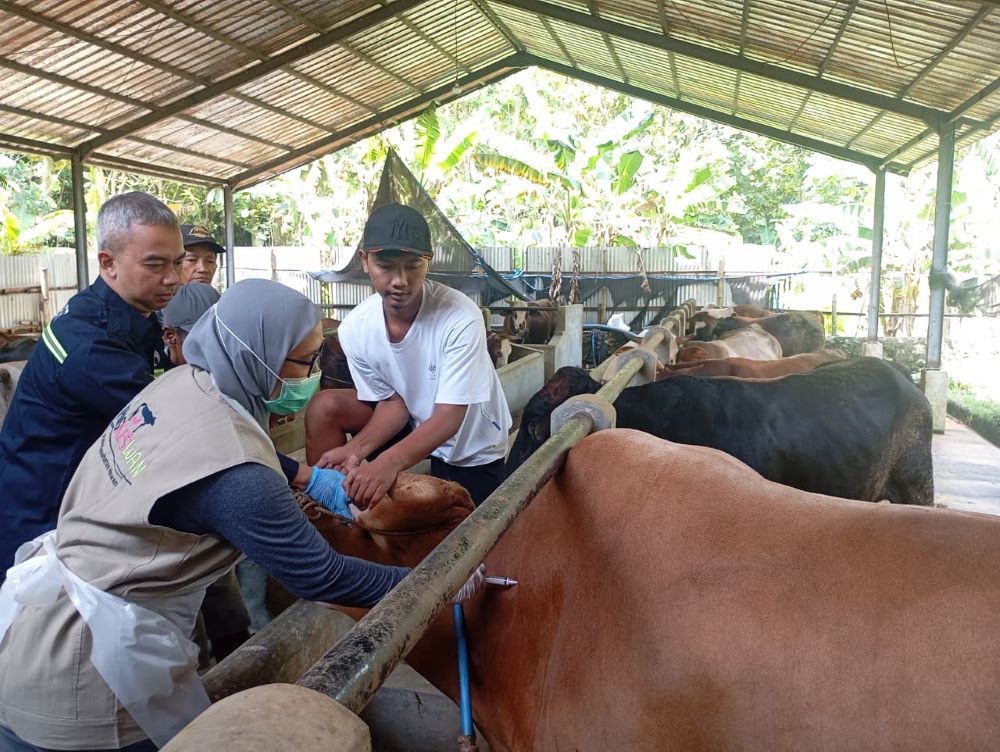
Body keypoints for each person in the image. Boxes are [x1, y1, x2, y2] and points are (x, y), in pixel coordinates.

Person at [0, 279, 485, 751]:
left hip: (34, 626)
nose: (313, 373)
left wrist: (308, 477)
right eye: (306, 360)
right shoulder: (240, 476)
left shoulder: (182, 384)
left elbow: (213, 446)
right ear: (260, 356)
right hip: (86, 673)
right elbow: (321, 575)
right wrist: (435, 581)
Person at [0, 192, 182, 571]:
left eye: (177, 262)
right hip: (44, 519)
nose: (173, 278)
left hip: (83, 504)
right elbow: (171, 425)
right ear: (108, 263)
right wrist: (295, 472)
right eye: (155, 264)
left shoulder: (138, 316)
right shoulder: (92, 344)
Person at [305, 203, 512, 507]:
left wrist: (386, 463)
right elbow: (392, 403)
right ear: (364, 260)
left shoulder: (460, 317)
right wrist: (355, 451)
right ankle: (332, 514)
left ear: (428, 261)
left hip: (469, 440)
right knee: (325, 406)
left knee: (466, 529)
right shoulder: (356, 329)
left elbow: (449, 416)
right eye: (385, 265)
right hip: (412, 419)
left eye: (413, 265)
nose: (400, 280)